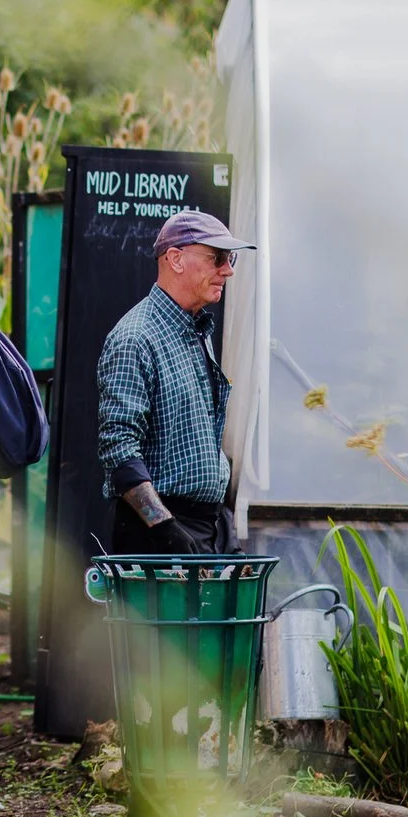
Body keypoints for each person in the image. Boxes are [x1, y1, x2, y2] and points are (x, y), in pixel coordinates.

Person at [97, 210, 255, 558]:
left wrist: (222, 528)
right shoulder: (134, 338)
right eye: (217, 257)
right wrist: (164, 527)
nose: (227, 269)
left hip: (207, 528)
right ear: (175, 259)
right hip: (157, 535)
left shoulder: (195, 328)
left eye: (231, 258)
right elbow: (119, 450)